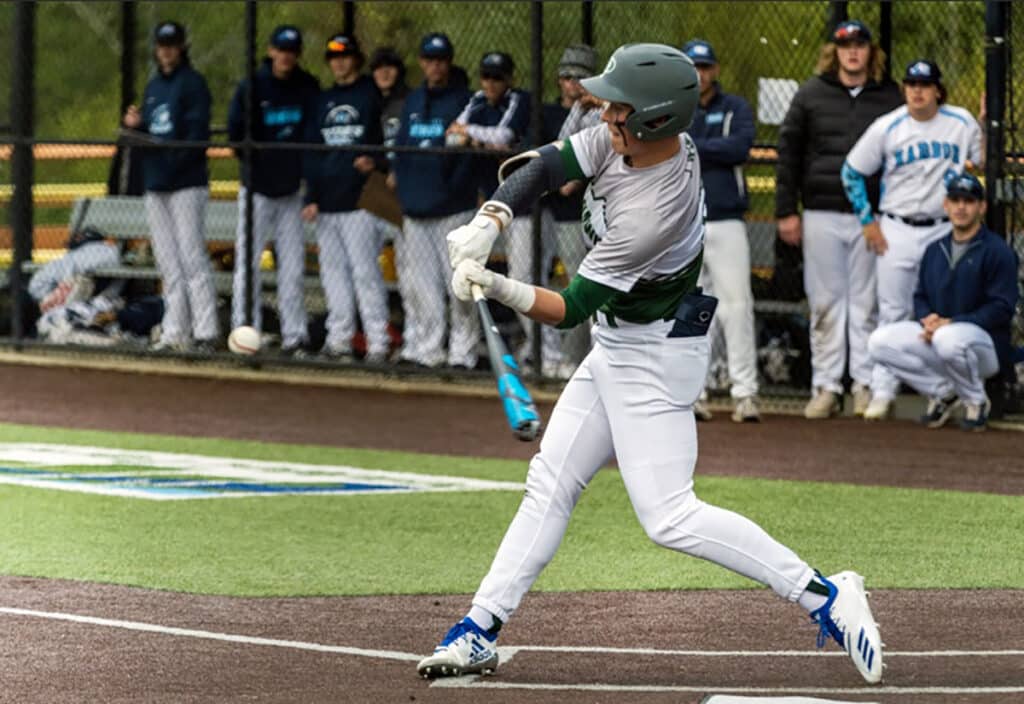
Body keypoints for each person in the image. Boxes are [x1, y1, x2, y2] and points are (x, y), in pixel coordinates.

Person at [417, 43, 883, 686]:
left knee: (669, 515)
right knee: (549, 484)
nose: (601, 112)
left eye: (617, 106)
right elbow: (548, 163)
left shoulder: (654, 210)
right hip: (620, 342)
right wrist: (493, 218)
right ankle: (479, 628)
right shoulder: (622, 137)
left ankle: (827, 597)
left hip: (654, 358)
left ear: (655, 120)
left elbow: (572, 306)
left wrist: (497, 287)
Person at [775, 20, 902, 419]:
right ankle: (826, 387)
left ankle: (864, 385)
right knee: (826, 303)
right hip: (821, 211)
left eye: (861, 45)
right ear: (835, 50)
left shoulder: (890, 96)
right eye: (846, 45)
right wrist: (785, 211)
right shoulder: (811, 93)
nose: (853, 52)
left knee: (866, 305)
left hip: (872, 215)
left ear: (870, 52)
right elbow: (788, 153)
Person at [843, 58, 983, 420]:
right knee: (892, 312)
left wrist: (986, 123)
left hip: (944, 228)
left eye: (924, 84)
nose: (917, 91)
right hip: (897, 227)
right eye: (911, 84)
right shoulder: (888, 126)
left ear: (938, 90)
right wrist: (867, 221)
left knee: (947, 312)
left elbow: (982, 161)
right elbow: (852, 171)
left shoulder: (961, 121)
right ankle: (883, 391)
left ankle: (951, 392)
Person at [867, 173, 1017, 431]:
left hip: (985, 347)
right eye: (955, 200)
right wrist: (928, 319)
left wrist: (952, 322)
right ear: (945, 205)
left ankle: (976, 401)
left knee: (948, 338)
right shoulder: (935, 249)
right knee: (879, 342)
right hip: (941, 337)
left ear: (982, 207)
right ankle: (944, 393)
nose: (961, 207)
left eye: (969, 201)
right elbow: (921, 295)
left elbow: (1002, 308)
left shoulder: (998, 251)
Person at [122, 20, 219, 353]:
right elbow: (154, 130)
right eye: (161, 46)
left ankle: (206, 331)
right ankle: (175, 330)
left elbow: (195, 136)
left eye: (171, 45)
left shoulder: (192, 84)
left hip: (186, 183)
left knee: (192, 257)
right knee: (167, 261)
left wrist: (167, 156)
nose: (166, 51)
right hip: (157, 183)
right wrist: (137, 126)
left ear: (181, 47)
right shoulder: (153, 87)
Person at [228, 25, 320, 357]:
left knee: (292, 268)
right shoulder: (252, 86)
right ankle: (243, 330)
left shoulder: (307, 86)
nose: (286, 56)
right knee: (247, 265)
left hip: (292, 192)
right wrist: (259, 161)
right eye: (281, 50)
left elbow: (313, 136)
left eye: (291, 51)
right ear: (271, 51)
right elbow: (235, 133)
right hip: (257, 191)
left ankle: (295, 335)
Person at [448, 52, 543, 372]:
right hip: (488, 207)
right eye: (486, 77)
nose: (490, 84)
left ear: (509, 78)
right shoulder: (476, 100)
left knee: (524, 278)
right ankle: (465, 351)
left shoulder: (519, 99)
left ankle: (545, 352)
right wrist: (475, 138)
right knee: (467, 273)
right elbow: (450, 137)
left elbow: (504, 137)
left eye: (497, 78)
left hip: (522, 207)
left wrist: (471, 136)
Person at [682, 39, 760, 423]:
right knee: (692, 307)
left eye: (705, 67)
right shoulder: (674, 109)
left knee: (737, 306)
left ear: (715, 70)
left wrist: (694, 146)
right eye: (693, 67)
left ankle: (744, 393)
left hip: (727, 218)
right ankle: (691, 394)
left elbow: (740, 146)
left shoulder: (735, 107)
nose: (700, 74)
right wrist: (708, 147)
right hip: (685, 223)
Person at [390, 32, 478, 369]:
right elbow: (400, 147)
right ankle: (428, 349)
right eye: (429, 59)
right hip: (416, 208)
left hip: (453, 209)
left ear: (449, 61)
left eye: (440, 60)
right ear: (422, 62)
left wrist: (451, 188)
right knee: (422, 286)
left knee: (459, 284)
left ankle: (462, 353)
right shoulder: (413, 100)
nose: (435, 66)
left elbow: (467, 153)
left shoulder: (465, 100)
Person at [302, 34, 389, 363]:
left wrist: (376, 161)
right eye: (333, 57)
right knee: (332, 273)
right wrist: (310, 196)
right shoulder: (323, 101)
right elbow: (311, 152)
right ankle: (339, 340)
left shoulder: (370, 95)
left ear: (356, 59)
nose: (338, 62)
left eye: (345, 56)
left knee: (365, 272)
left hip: (360, 202)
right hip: (327, 203)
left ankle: (377, 341)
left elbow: (386, 140)